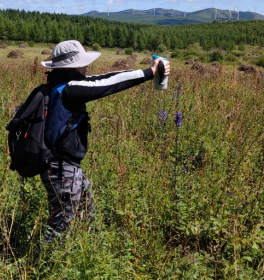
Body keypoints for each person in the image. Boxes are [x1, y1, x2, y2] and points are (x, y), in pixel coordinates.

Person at [39, 39, 170, 243]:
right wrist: (149, 73)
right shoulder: (69, 90)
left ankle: (89, 248)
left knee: (86, 211)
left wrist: (145, 71)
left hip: (66, 166)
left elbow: (103, 78)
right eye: (83, 63)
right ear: (72, 66)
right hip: (62, 168)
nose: (86, 67)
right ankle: (46, 259)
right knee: (61, 225)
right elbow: (105, 85)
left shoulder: (60, 85)